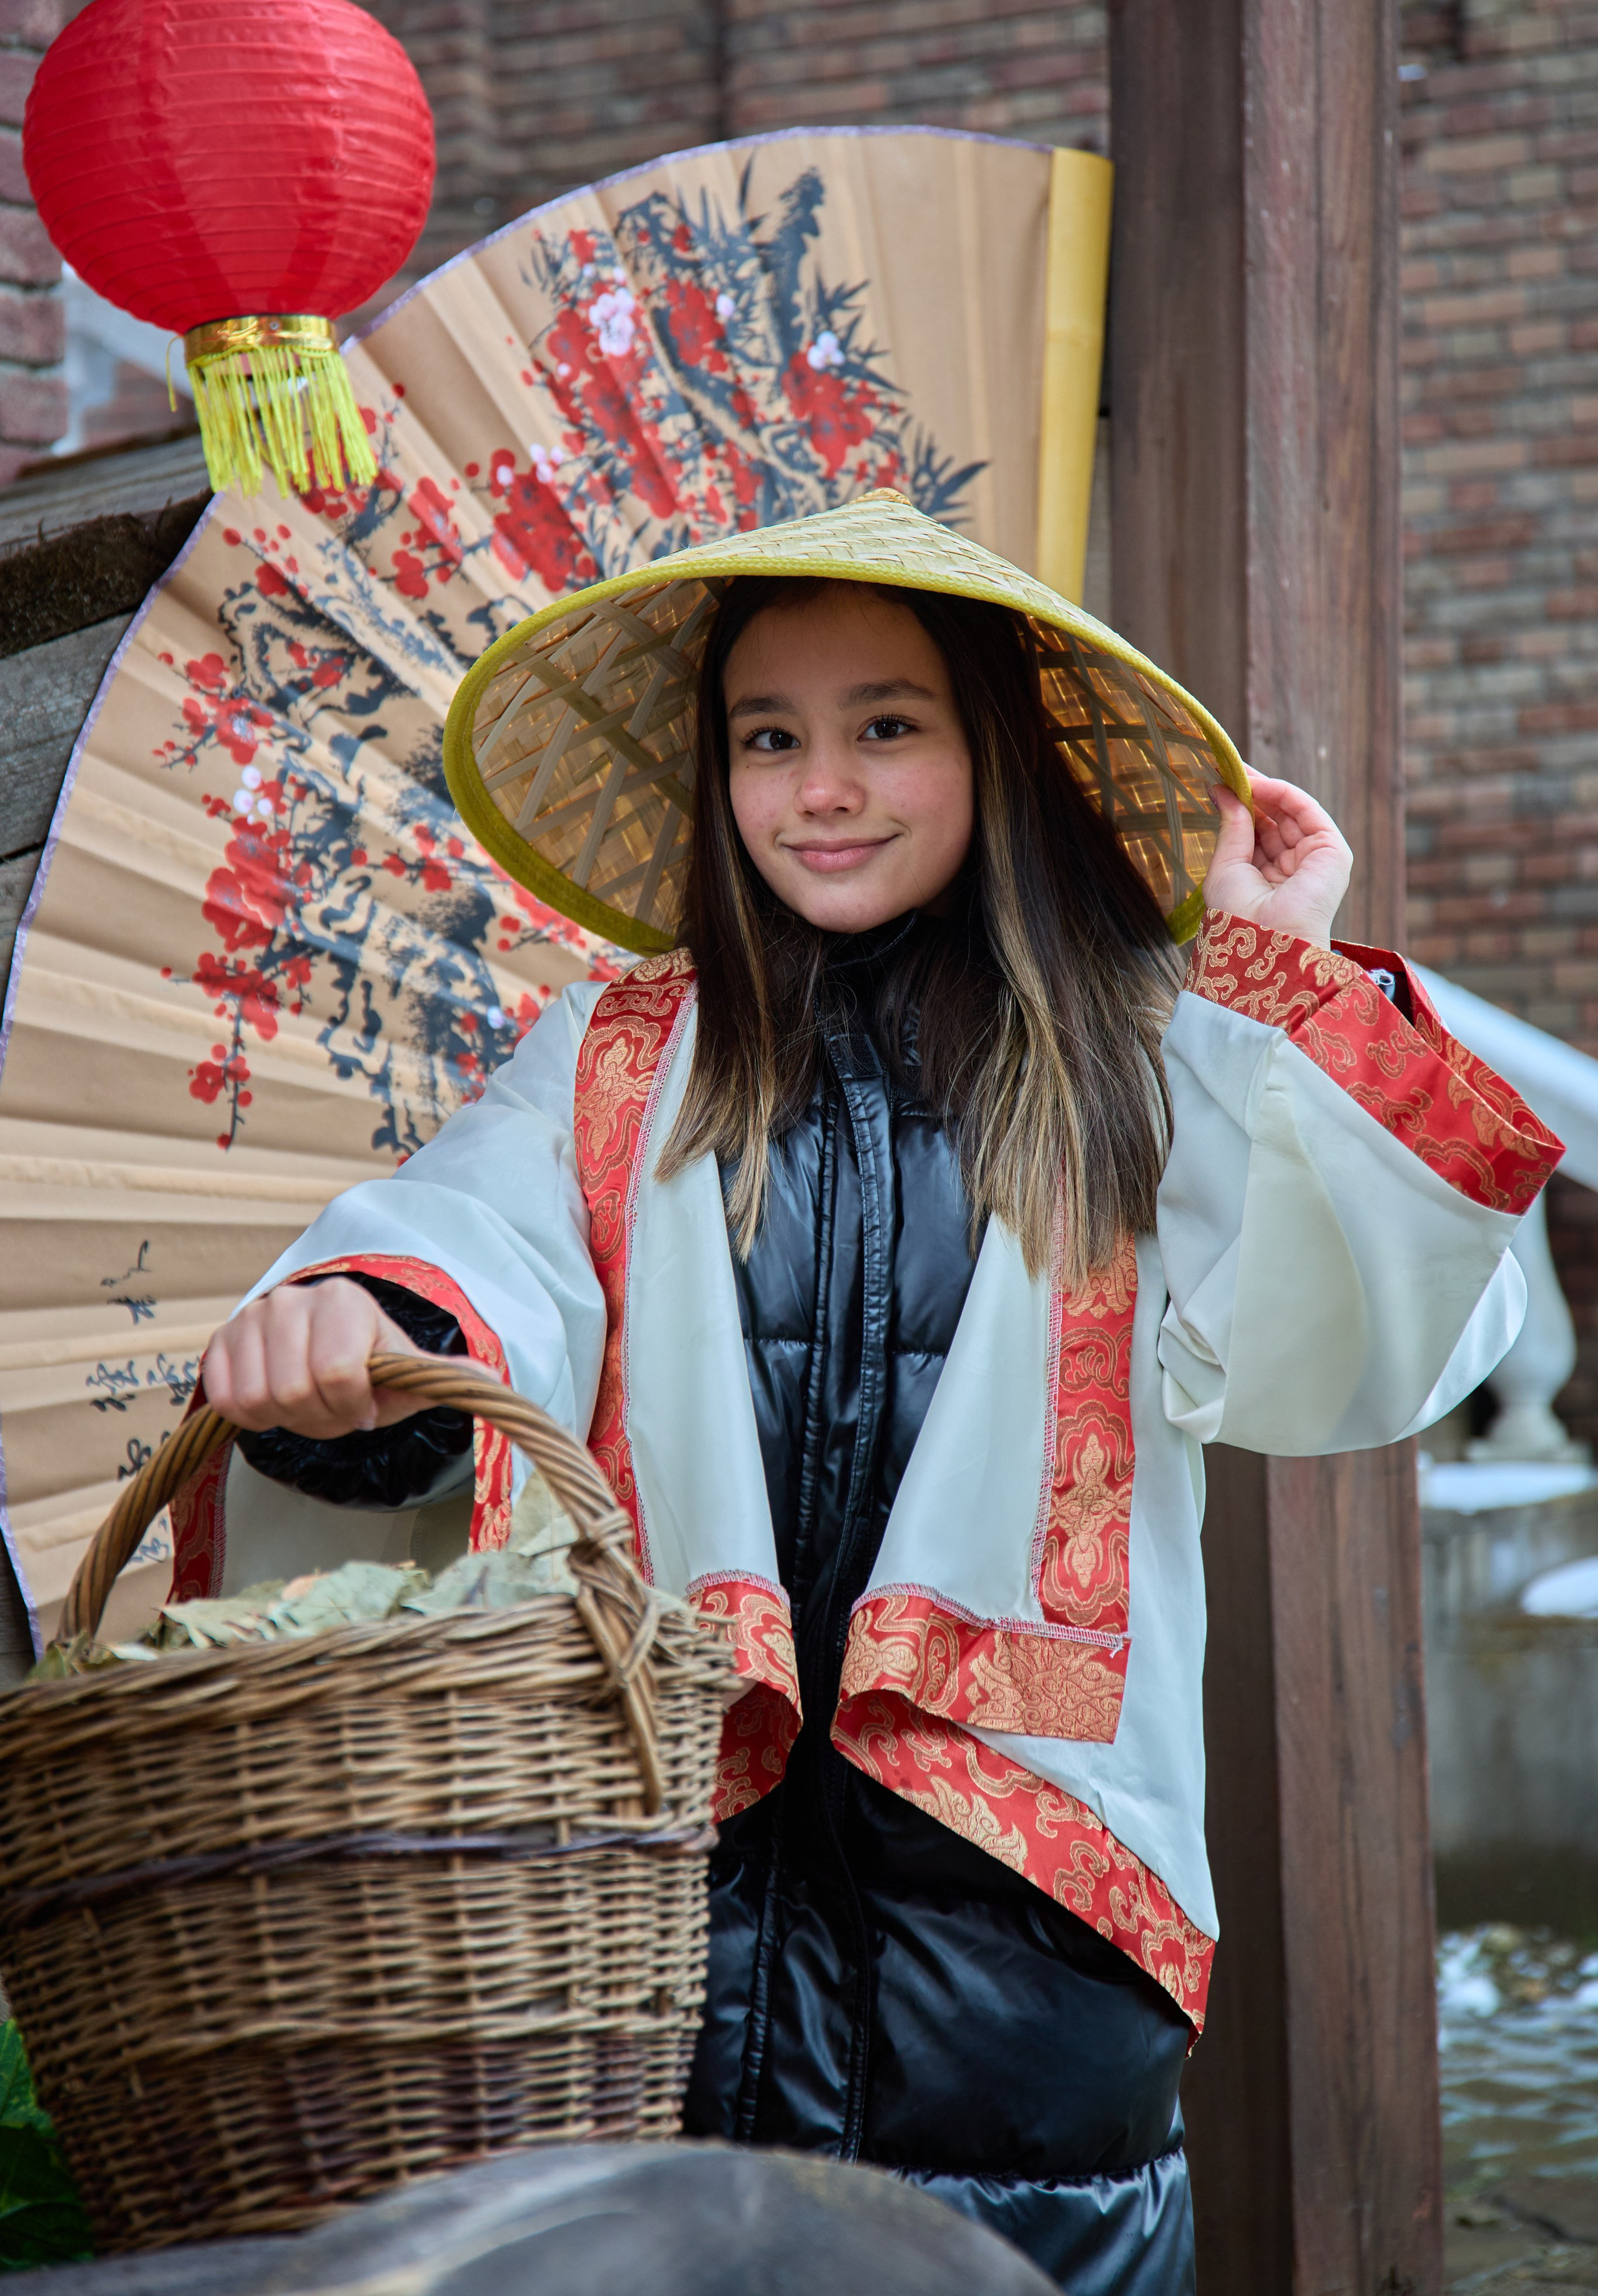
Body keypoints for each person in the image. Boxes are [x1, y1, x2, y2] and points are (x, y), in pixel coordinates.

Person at [194, 496, 1560, 2294]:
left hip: (1030, 1982)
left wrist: (1276, 972)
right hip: (657, 1943)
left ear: (995, 749)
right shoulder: (616, 1062)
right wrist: (355, 1329)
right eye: (769, 738)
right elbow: (470, 1249)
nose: (820, 786)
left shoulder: (1145, 1057)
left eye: (886, 726)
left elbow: (1370, 1326)